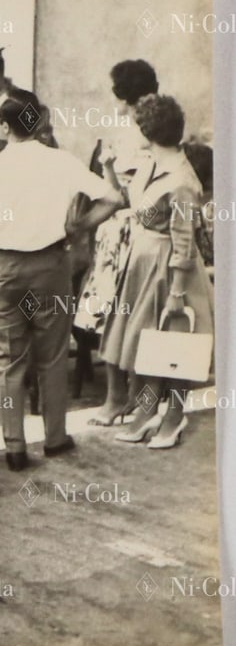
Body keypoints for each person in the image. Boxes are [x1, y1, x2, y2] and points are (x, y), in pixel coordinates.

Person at [0, 88, 123, 471]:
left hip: (4, 266)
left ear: (3, 127)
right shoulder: (61, 162)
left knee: (8, 358)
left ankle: (15, 445)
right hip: (51, 265)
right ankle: (55, 438)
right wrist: (78, 229)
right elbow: (114, 198)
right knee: (53, 354)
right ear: (36, 122)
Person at [101, 95, 213, 449]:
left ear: (148, 132)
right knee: (146, 344)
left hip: (170, 270)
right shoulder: (151, 165)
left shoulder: (181, 179)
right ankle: (147, 410)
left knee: (175, 345)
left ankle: (174, 417)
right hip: (143, 263)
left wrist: (178, 293)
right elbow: (132, 203)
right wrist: (108, 168)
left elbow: (183, 242)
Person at [77, 59, 159, 427]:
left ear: (124, 96)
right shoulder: (150, 131)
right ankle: (132, 399)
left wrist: (109, 167)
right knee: (133, 316)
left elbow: (123, 195)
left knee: (113, 315)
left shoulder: (132, 133)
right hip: (137, 232)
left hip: (124, 231)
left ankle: (117, 399)